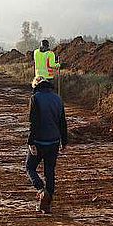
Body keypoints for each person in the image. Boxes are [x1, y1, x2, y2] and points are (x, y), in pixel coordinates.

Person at [26, 76, 68, 214]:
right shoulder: (58, 98)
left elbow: (33, 122)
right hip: (54, 141)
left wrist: (30, 142)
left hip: (39, 141)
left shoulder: (35, 98)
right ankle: (47, 206)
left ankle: (40, 189)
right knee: (49, 172)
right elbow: (63, 121)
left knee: (30, 167)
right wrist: (64, 141)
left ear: (36, 86)